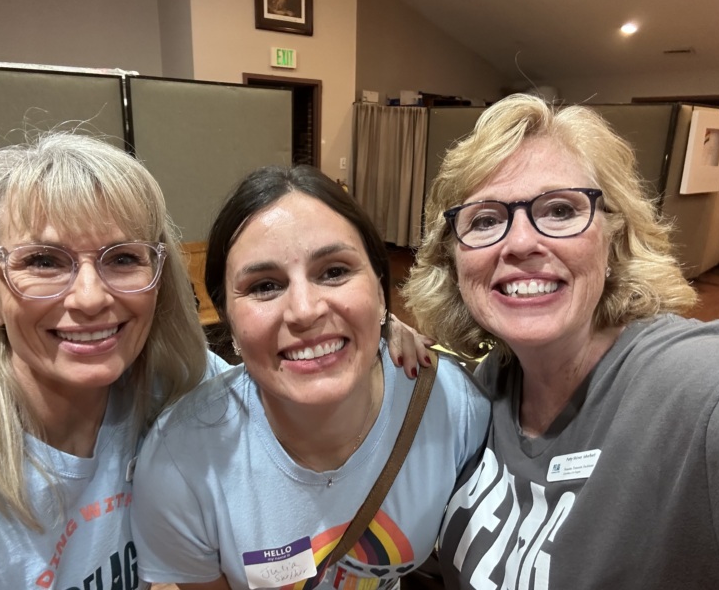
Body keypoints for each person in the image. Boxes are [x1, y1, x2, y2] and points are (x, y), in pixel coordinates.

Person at [0, 133, 429, 590]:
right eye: (43, 261)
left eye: (122, 258)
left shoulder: (176, 385)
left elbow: (275, 389)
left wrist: (369, 330)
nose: (89, 298)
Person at [402, 93, 719, 589]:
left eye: (559, 210)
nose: (520, 243)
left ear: (614, 238)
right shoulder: (485, 387)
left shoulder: (698, 395)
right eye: (485, 220)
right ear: (452, 261)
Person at [129, 165, 491, 589]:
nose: (305, 310)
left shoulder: (451, 406)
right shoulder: (182, 461)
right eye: (264, 285)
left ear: (380, 292)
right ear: (229, 323)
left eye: (334, 272)